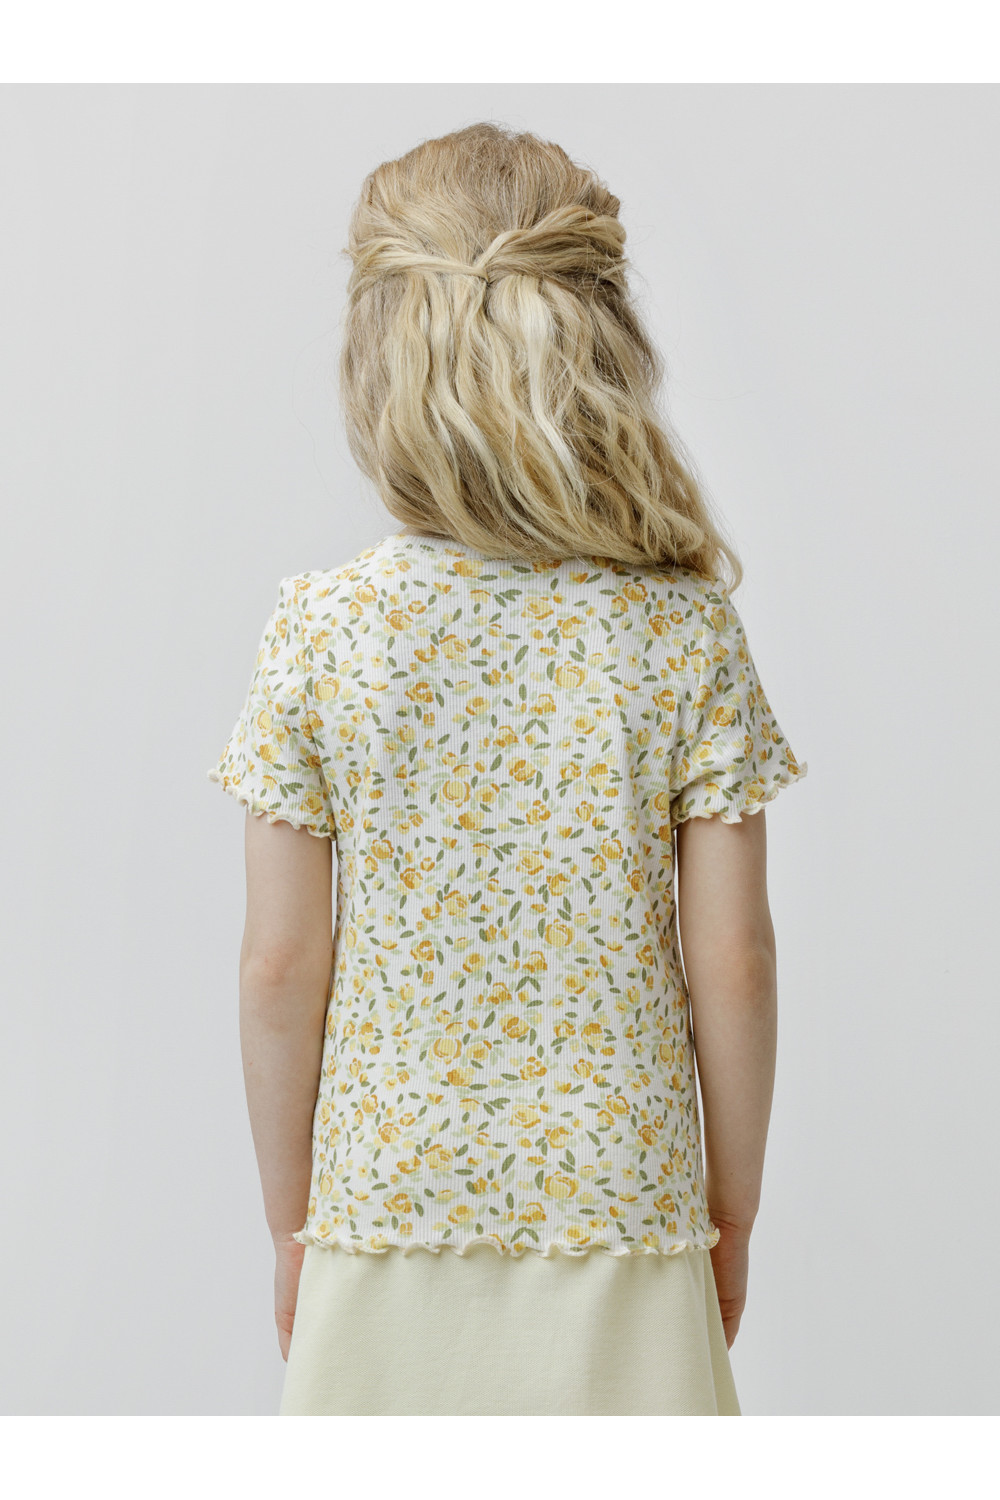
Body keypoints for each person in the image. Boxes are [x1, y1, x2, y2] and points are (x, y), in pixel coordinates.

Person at [207, 121, 808, 1416]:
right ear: (601, 350)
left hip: (380, 1208)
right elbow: (737, 962)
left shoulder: (323, 631)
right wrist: (734, 1213)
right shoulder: (680, 633)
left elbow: (277, 967)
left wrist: (291, 1224)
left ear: (378, 361)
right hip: (628, 1213)